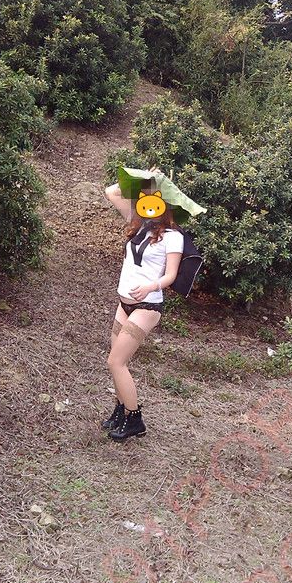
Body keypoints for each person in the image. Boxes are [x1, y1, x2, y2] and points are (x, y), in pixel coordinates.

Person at [103, 169, 184, 441]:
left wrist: (150, 286)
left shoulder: (173, 236)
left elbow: (170, 276)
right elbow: (111, 191)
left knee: (116, 362)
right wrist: (143, 177)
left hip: (147, 307)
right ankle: (120, 411)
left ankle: (135, 419)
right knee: (117, 360)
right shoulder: (138, 223)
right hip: (124, 303)